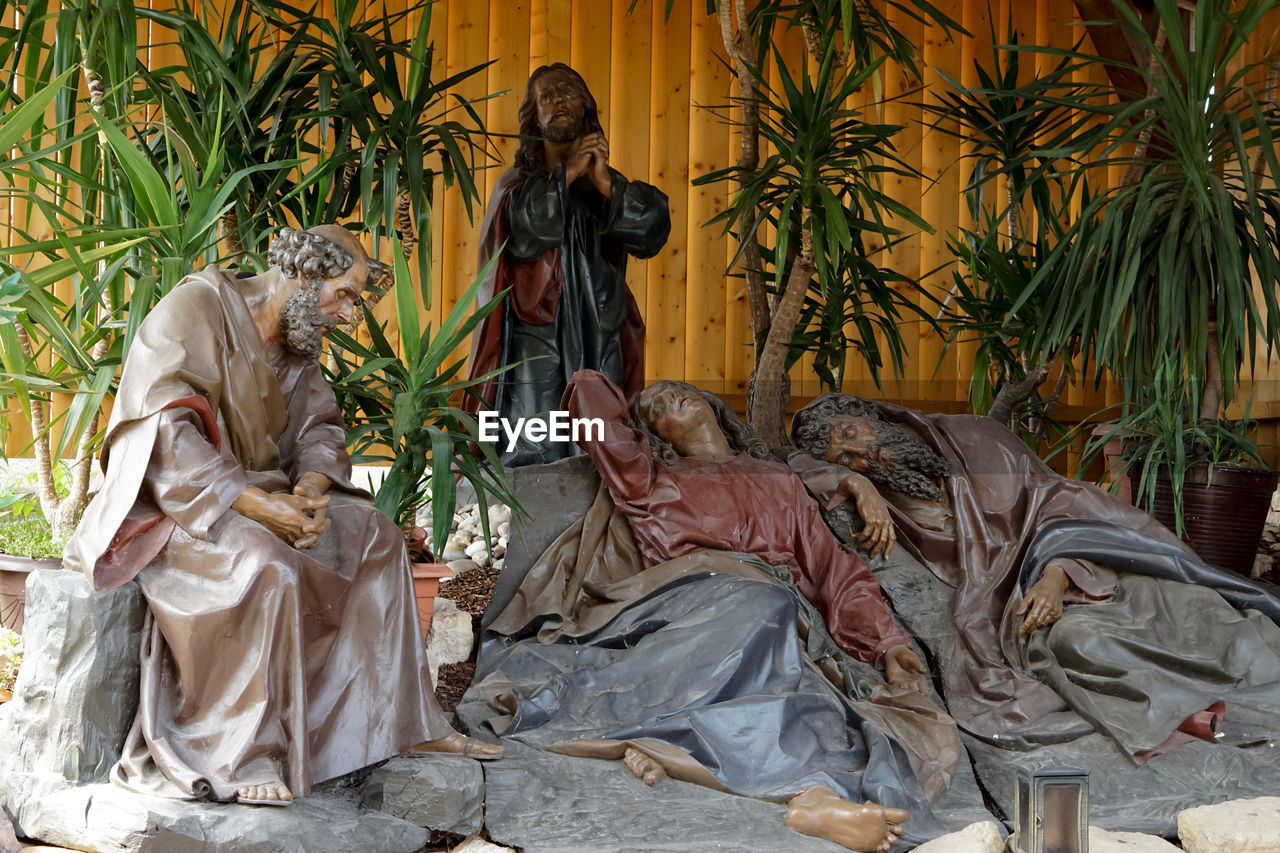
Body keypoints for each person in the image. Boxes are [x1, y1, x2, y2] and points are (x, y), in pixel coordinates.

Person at [63, 225, 500, 807]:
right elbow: (161, 426)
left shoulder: (294, 346)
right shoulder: (197, 307)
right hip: (184, 506)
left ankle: (398, 721)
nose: (348, 315)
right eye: (344, 294)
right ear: (304, 273)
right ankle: (242, 750)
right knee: (266, 563)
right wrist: (254, 503)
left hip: (264, 500)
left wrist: (313, 491)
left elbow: (320, 429)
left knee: (376, 534)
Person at [464, 369, 969, 851]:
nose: (671, 400)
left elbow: (833, 571)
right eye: (656, 407)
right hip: (693, 603)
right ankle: (801, 785)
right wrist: (619, 395)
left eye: (679, 390)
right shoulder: (648, 480)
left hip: (777, 613)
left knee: (801, 682)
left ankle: (807, 795)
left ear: (712, 404)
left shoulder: (779, 481)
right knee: (769, 619)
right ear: (650, 433)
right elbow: (585, 394)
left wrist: (888, 642)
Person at [789, 394, 1280, 764]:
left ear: (870, 414)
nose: (863, 455)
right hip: (1011, 599)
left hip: (1088, 562)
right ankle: (1189, 717)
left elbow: (1059, 503)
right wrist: (857, 485)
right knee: (1076, 640)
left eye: (854, 434)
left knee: (1195, 609)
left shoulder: (976, 434)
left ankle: (1243, 691)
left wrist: (1057, 573)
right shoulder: (878, 489)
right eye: (846, 457)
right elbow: (790, 468)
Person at [464, 63, 671, 466]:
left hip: (599, 329)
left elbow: (652, 229)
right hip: (532, 331)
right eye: (546, 96)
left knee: (600, 433)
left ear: (585, 108)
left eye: (567, 92)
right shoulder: (516, 185)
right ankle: (529, 521)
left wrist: (608, 185)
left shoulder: (606, 186)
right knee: (532, 434)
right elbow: (524, 232)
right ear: (534, 118)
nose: (558, 99)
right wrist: (570, 171)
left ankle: (599, 517)